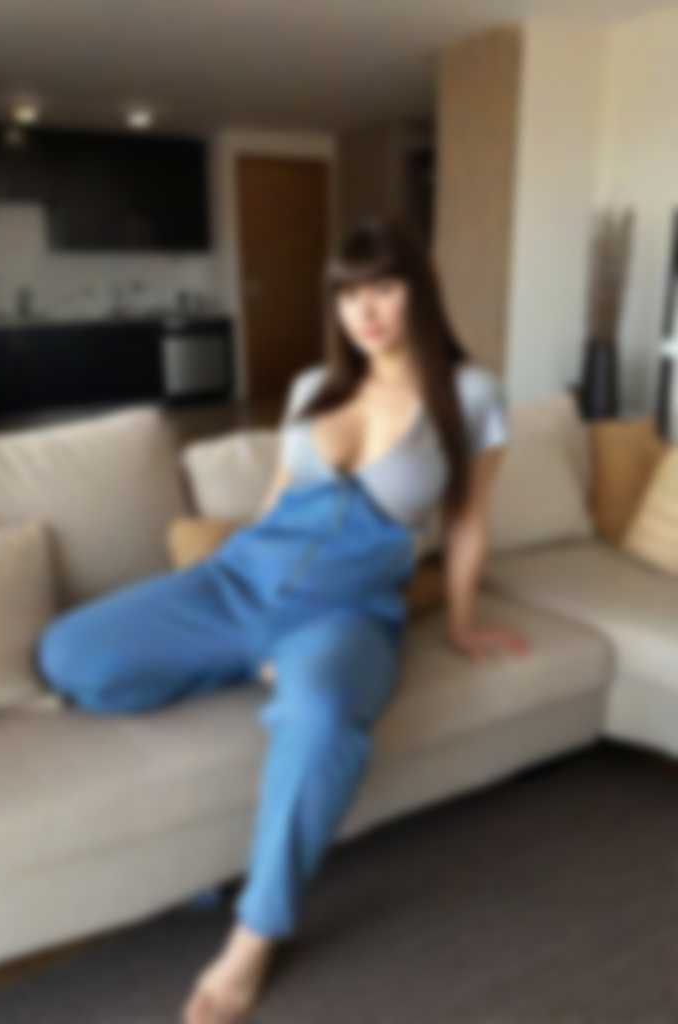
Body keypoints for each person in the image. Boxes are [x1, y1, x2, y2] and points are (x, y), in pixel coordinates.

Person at [33, 214, 531, 1024]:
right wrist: (219, 596)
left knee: (323, 718)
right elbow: (274, 503)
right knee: (66, 652)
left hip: (345, 614)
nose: (366, 310)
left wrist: (461, 621)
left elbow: (468, 522)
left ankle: (254, 935)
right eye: (348, 294)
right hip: (238, 582)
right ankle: (243, 660)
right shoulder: (312, 388)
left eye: (384, 287)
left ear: (419, 289)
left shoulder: (472, 394)